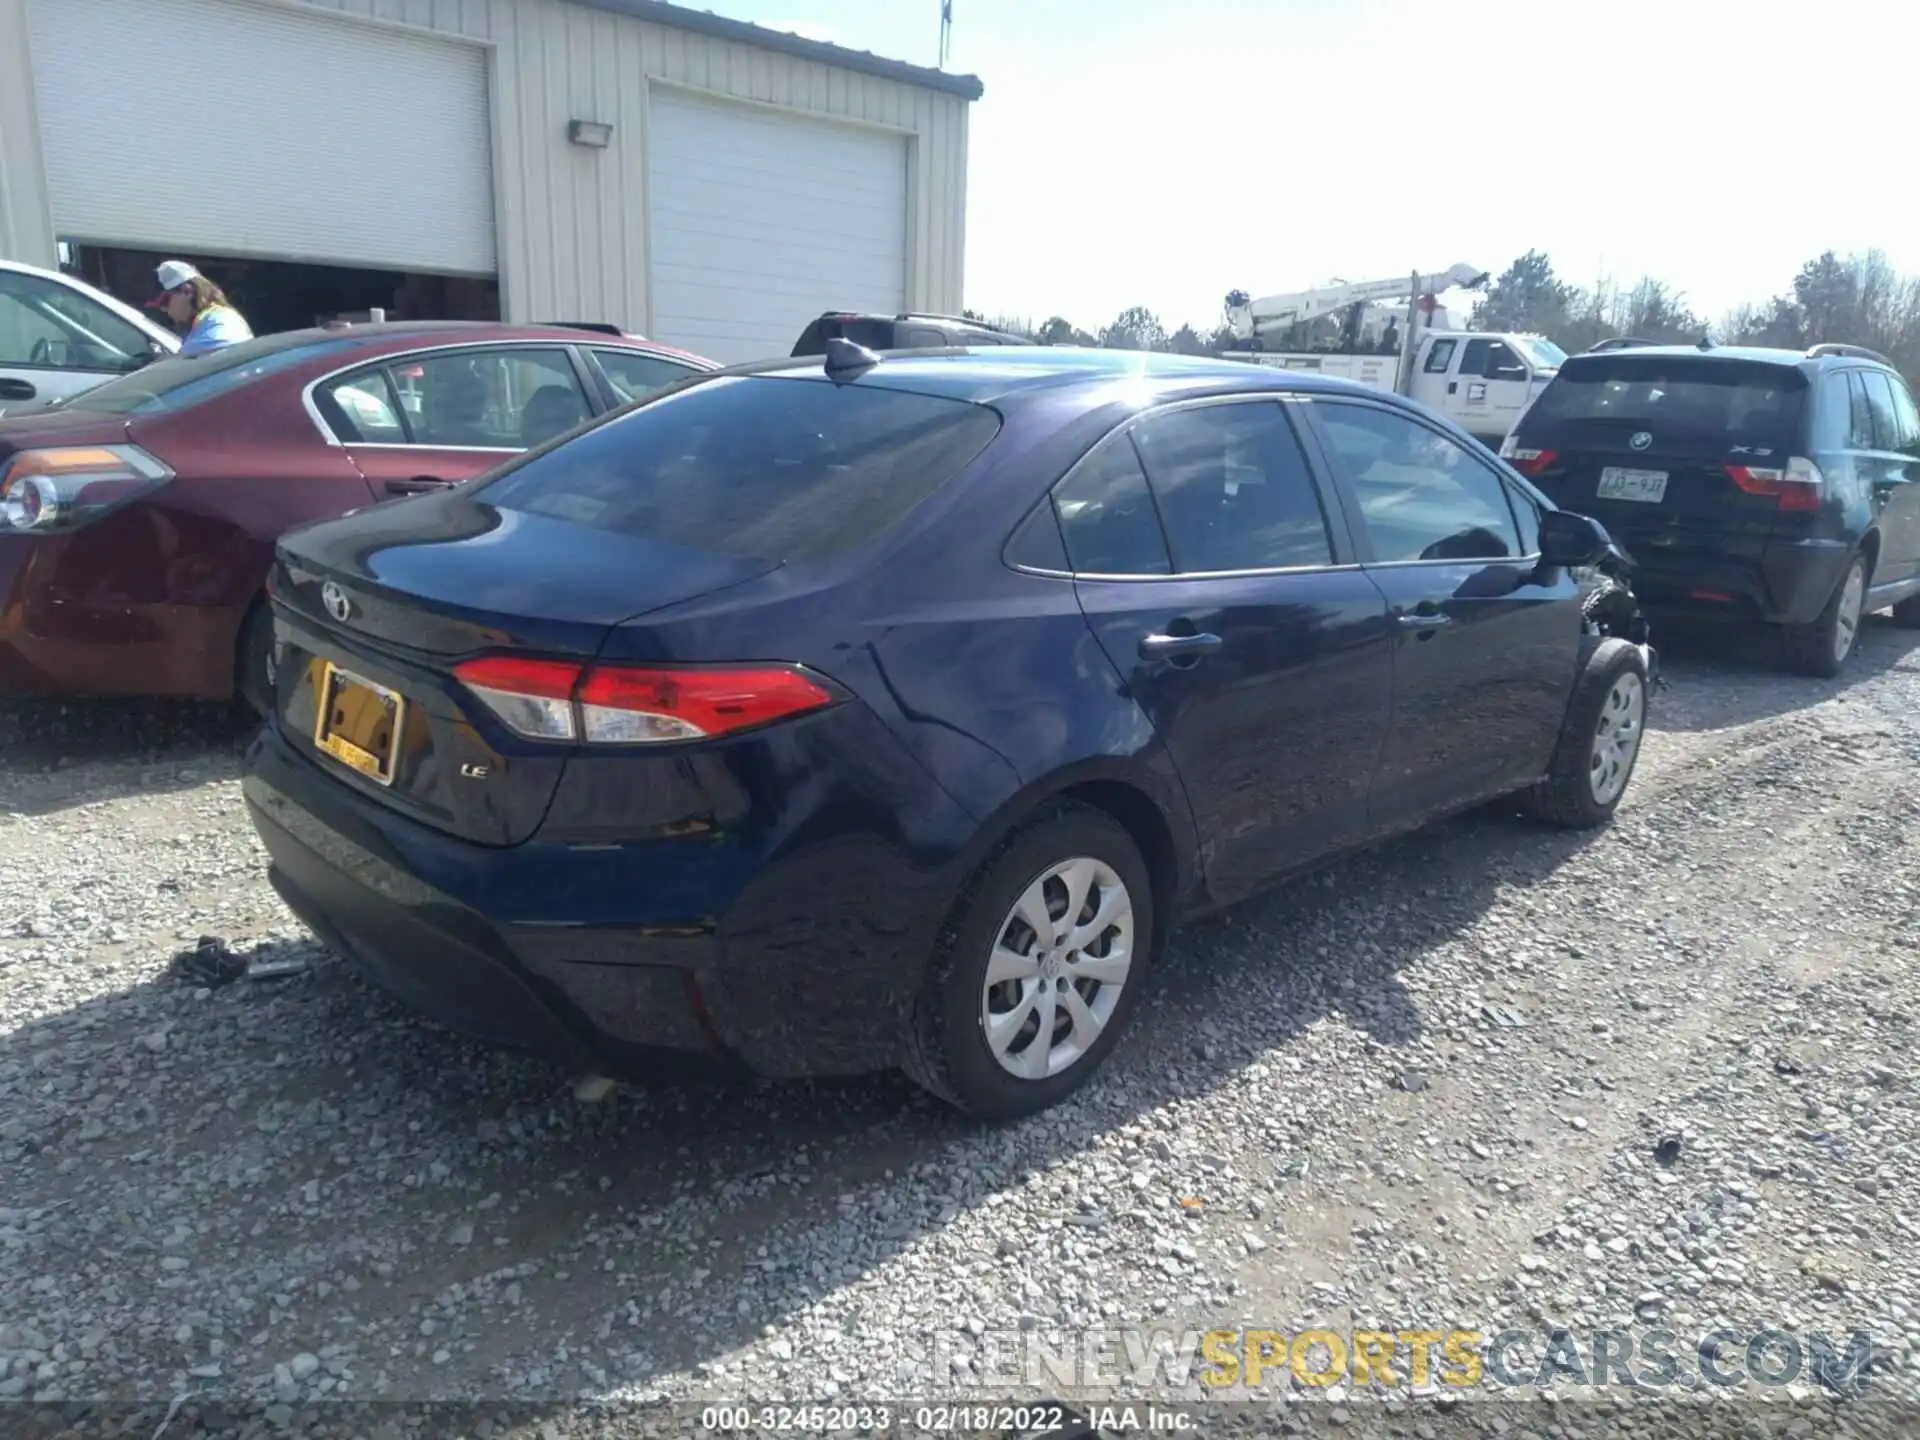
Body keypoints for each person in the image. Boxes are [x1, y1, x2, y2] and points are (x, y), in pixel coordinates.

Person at [147, 260, 253, 357]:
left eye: (165, 302)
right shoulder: (201, 323)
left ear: (187, 291)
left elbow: (187, 362)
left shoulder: (222, 321)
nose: (164, 309)